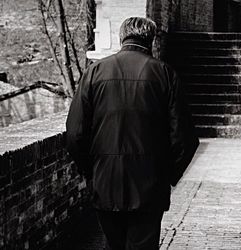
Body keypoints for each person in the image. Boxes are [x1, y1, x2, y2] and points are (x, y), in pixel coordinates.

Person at [66, 17, 199, 250]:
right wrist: (166, 175)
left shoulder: (95, 72)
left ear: (121, 38)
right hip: (149, 185)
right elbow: (185, 139)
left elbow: (76, 133)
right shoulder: (165, 74)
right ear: (151, 41)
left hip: (106, 182)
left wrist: (93, 172)